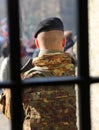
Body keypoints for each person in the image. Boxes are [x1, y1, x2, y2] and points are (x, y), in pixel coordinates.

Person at [0, 17, 77, 130]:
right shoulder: (76, 73)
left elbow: (11, 113)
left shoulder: (24, 78)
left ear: (37, 43)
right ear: (64, 42)